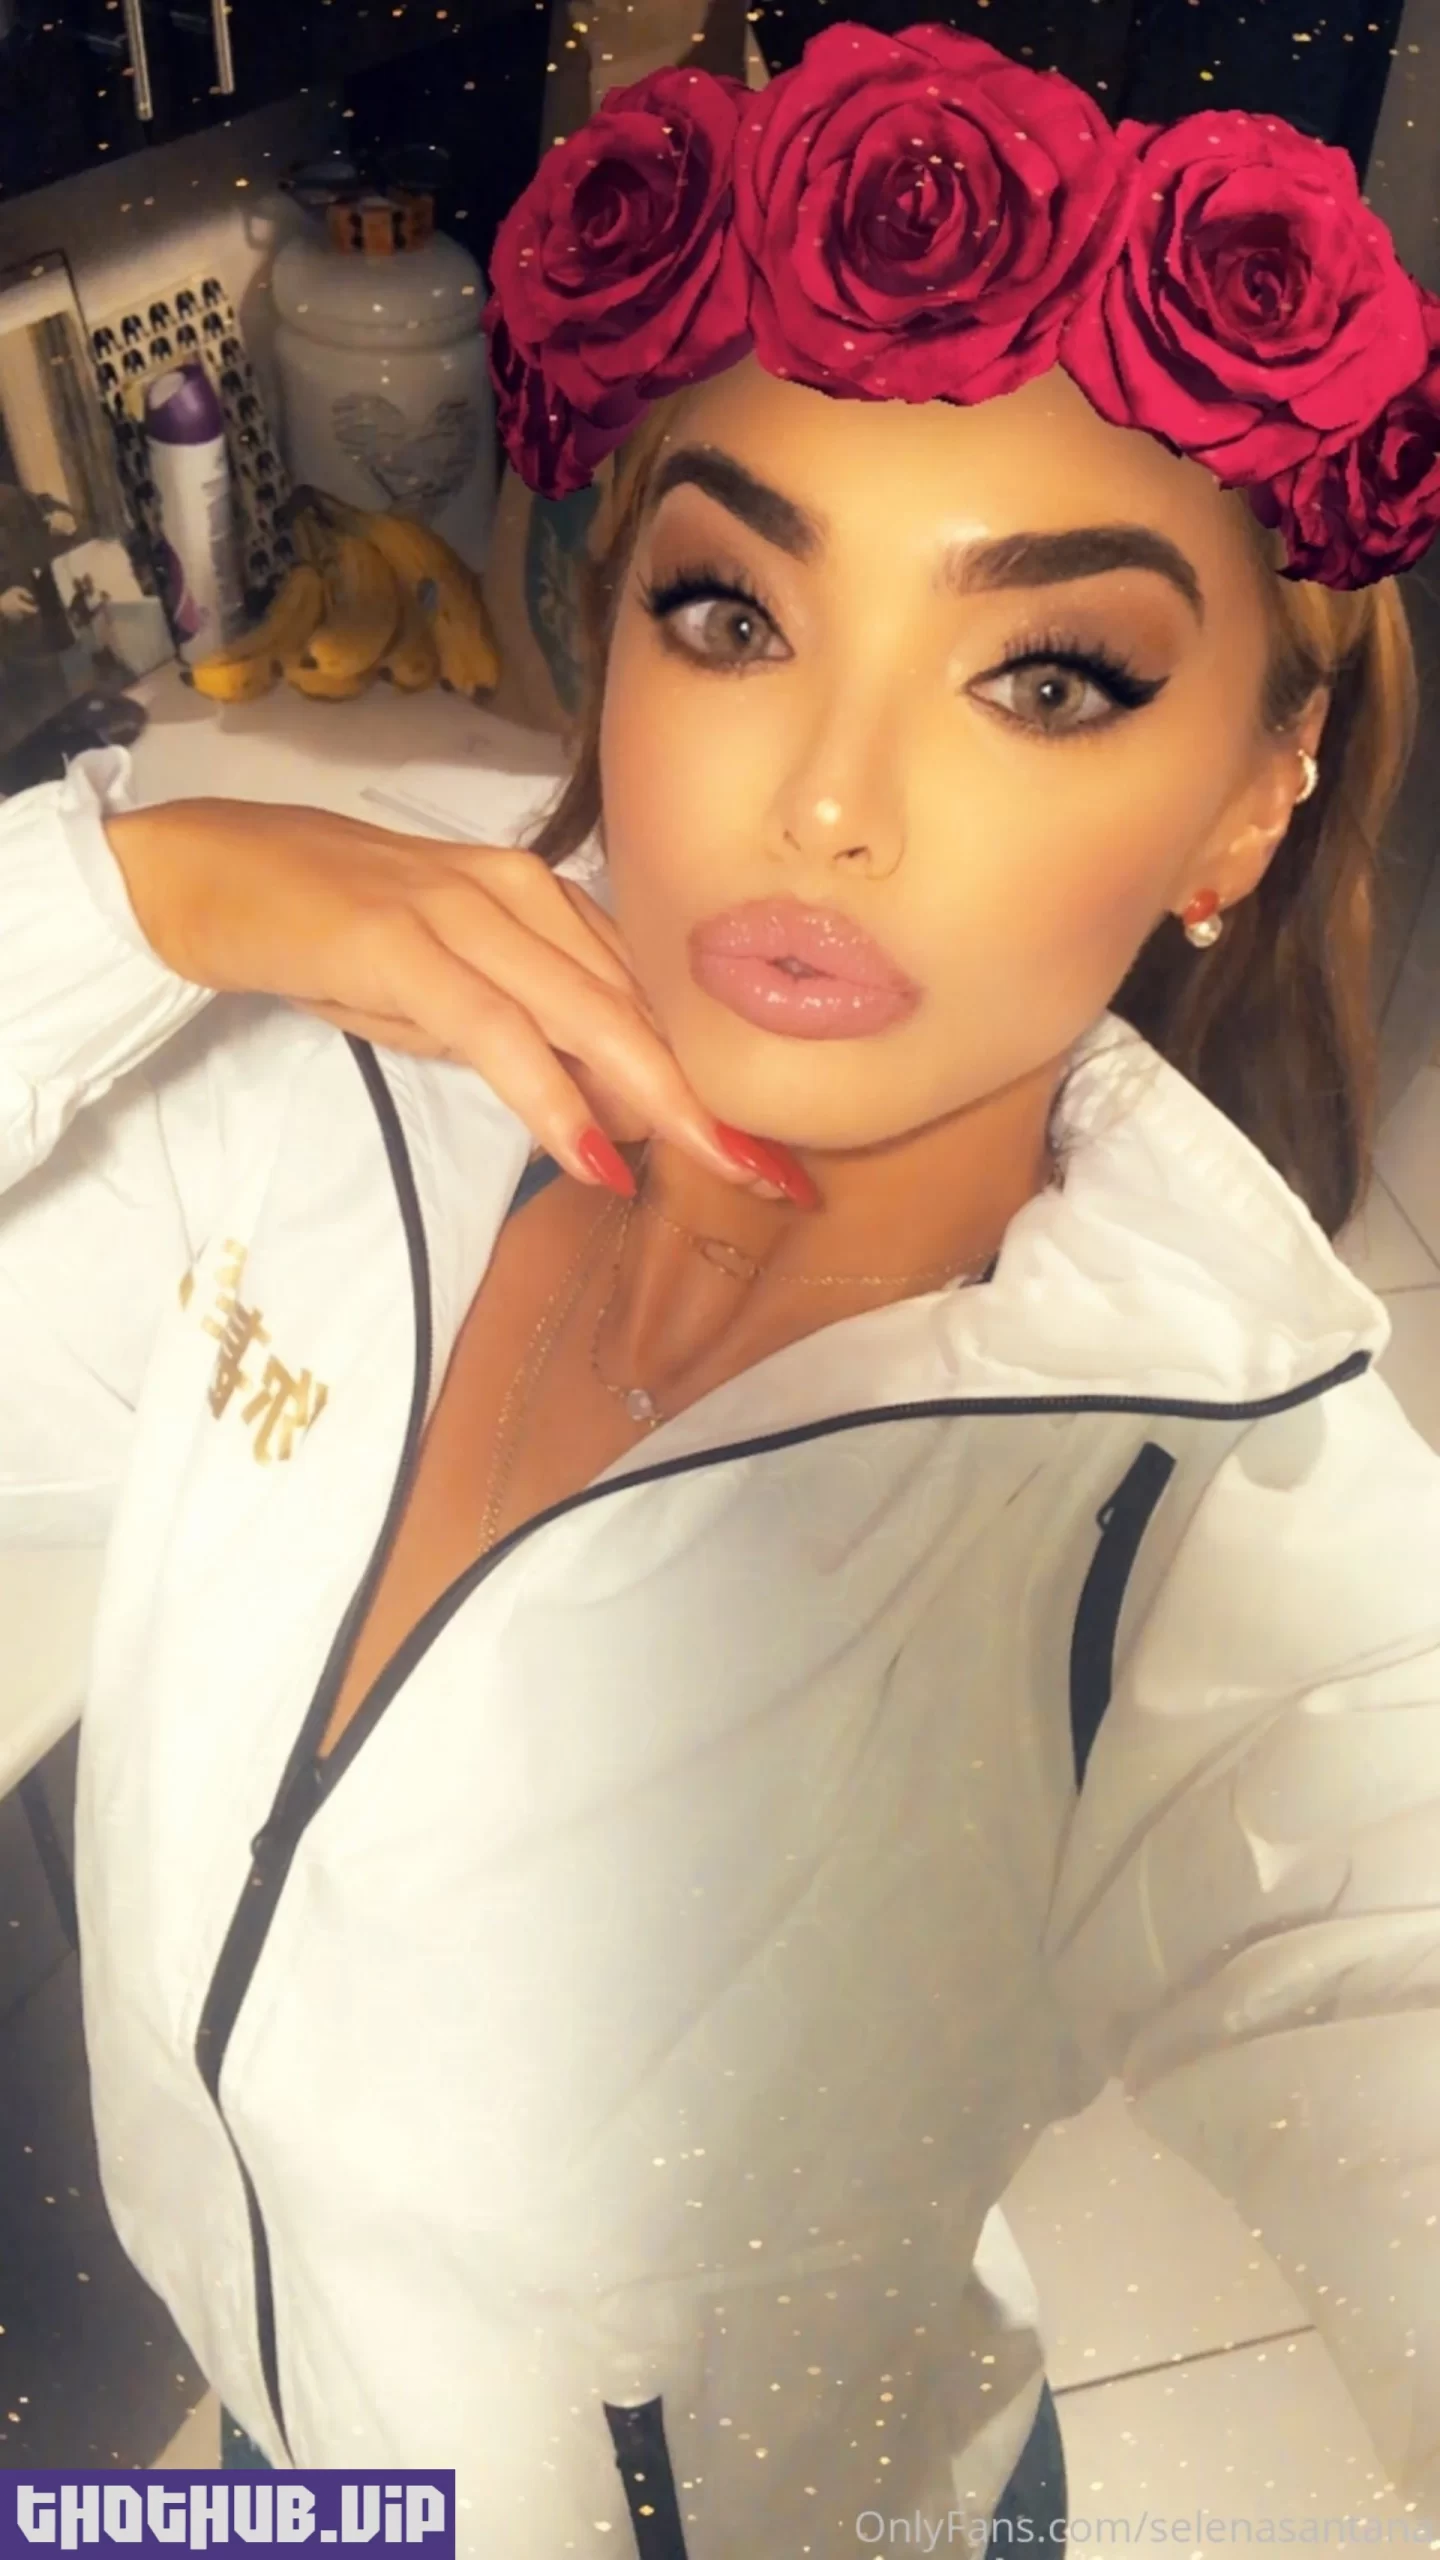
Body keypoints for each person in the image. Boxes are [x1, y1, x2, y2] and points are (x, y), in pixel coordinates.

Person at [3, 22, 1440, 2555]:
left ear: (1248, 792)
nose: (829, 797)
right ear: (612, 627)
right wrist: (138, 889)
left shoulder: (1200, 1529)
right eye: (733, 609)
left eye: (1049, 675)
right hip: (283, 2483)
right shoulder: (320, 1084)